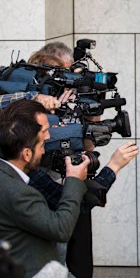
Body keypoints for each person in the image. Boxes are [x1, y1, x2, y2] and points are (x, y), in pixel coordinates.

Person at [26, 46, 139, 278]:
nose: (73, 80)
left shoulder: (67, 100)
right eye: (69, 74)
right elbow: (77, 201)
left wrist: (89, 107)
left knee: (79, 262)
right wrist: (114, 167)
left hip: (72, 184)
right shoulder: (30, 112)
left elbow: (87, 146)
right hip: (55, 194)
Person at [0, 99, 89, 278]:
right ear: (26, 153)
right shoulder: (17, 191)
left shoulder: (9, 175)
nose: (45, 147)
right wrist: (73, 180)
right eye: (41, 143)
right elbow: (61, 229)